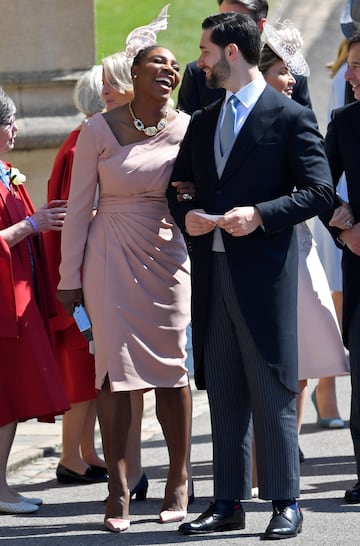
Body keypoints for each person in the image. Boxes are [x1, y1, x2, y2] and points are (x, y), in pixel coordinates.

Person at [167, 12, 333, 539]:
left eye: (205, 50)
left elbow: (319, 192)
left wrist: (259, 213)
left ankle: (287, 502)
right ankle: (227, 501)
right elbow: (179, 187)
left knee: (274, 389)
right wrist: (185, 214)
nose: (200, 60)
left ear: (232, 52)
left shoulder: (289, 116)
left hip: (266, 274)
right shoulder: (203, 119)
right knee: (223, 389)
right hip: (211, 273)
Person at [57, 5, 192, 534]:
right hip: (108, 256)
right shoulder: (96, 129)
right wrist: (69, 279)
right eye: (157, 63)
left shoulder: (187, 126)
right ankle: (117, 491)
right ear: (132, 73)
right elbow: (76, 210)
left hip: (167, 254)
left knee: (172, 369)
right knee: (114, 374)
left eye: (175, 65)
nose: (168, 70)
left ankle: (178, 478)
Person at [259, 20, 349, 455]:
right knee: (267, 359)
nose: (291, 79)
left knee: (304, 350)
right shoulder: (226, 122)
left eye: (292, 71)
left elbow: (321, 185)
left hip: (298, 242)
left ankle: (284, 445)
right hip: (254, 248)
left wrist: (340, 217)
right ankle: (269, 451)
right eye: (281, 71)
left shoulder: (301, 118)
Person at [0, 87, 69, 514]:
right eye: (8, 123)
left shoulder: (6, 171)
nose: (15, 130)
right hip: (3, 303)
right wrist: (32, 223)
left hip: (16, 296)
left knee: (13, 396)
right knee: (7, 397)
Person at [44, 66, 109, 486]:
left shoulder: (80, 139)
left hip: (79, 273)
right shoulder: (79, 145)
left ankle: (85, 451)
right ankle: (71, 456)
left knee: (89, 370)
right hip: (75, 277)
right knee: (80, 371)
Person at [323, 30, 360, 504]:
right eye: (350, 65)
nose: (349, 75)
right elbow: (317, 185)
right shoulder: (344, 122)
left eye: (358, 67)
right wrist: (344, 225)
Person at [177, 0, 312, 114]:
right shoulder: (199, 73)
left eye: (236, 22)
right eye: (221, 19)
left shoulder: (291, 78)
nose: (223, 29)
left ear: (260, 26)